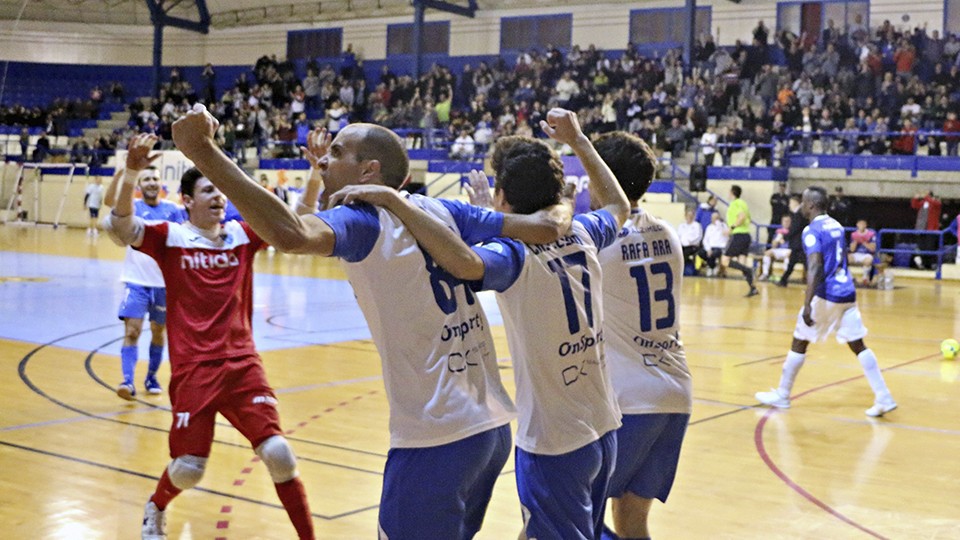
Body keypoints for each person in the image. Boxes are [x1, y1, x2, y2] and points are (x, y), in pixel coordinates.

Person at [169, 104, 570, 539]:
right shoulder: (442, 211)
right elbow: (546, 225)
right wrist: (565, 200)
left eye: (337, 152)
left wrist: (203, 152)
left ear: (369, 172)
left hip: (436, 436)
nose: (324, 159)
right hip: (489, 430)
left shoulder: (362, 219)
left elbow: (291, 234)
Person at [332, 109, 628, 540]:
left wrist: (396, 200)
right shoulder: (582, 231)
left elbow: (465, 263)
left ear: (504, 197)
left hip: (555, 440)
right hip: (605, 426)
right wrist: (579, 142)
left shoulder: (515, 257)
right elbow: (618, 204)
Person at [104, 134, 316, 540]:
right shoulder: (170, 237)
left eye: (220, 191)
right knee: (188, 469)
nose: (218, 198)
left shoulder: (242, 235)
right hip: (194, 370)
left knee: (280, 455)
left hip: (242, 366)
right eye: (207, 191)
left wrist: (314, 176)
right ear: (187, 200)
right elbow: (120, 227)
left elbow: (297, 226)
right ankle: (156, 505)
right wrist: (131, 172)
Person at [592, 132, 692, 540]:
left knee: (559, 519)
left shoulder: (599, 242)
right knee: (633, 522)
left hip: (629, 401)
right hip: (675, 393)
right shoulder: (667, 232)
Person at [756, 186, 897, 417]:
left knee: (800, 340)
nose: (800, 206)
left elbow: (815, 266)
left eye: (802, 202)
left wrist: (808, 302)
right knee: (858, 344)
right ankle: (884, 396)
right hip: (847, 291)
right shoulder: (836, 225)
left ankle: (782, 394)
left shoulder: (812, 231)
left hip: (827, 294)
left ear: (811, 205)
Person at [103, 165, 183, 400]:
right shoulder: (133, 208)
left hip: (164, 284)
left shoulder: (174, 210)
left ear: (161, 184)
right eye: (146, 179)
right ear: (139, 185)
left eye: (154, 179)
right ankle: (127, 381)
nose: (151, 183)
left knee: (159, 332)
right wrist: (122, 173)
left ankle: (151, 376)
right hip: (135, 281)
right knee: (133, 330)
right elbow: (110, 201)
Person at [723, 185, 759, 296]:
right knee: (741, 263)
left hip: (738, 234)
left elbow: (742, 216)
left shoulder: (735, 203)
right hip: (746, 235)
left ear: (732, 193)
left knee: (724, 260)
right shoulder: (744, 203)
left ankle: (749, 270)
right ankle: (753, 288)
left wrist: (731, 228)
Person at [777, 194, 808, 287]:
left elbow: (795, 229)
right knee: (792, 263)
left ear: (795, 203)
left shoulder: (799, 214)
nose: (789, 205)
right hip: (797, 244)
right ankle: (783, 280)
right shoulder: (798, 213)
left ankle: (816, 283)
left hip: (799, 244)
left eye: (790, 203)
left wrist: (785, 237)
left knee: (806, 265)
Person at [911, 190, 942, 269]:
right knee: (922, 248)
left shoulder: (935, 202)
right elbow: (914, 205)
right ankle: (923, 264)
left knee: (930, 247)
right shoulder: (924, 203)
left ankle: (931, 264)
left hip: (932, 229)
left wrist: (926, 196)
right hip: (922, 229)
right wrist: (915, 198)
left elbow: (936, 204)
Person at [759, 214, 791, 281]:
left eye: (788, 221)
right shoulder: (779, 231)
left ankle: (785, 276)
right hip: (779, 250)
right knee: (767, 253)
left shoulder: (793, 231)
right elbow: (774, 246)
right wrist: (777, 239)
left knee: (788, 254)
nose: (786, 223)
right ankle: (765, 274)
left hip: (788, 250)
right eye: (784, 221)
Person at [699, 211, 728, 276]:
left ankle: (711, 267)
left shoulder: (724, 226)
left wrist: (720, 225)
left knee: (714, 253)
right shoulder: (709, 227)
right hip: (710, 247)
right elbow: (705, 240)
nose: (715, 219)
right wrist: (708, 249)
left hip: (719, 247)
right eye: (713, 218)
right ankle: (712, 266)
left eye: (716, 218)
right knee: (701, 253)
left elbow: (726, 237)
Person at [848, 219, 877, 284]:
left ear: (866, 225)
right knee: (846, 259)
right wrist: (855, 242)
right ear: (857, 225)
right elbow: (852, 250)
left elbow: (872, 248)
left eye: (863, 224)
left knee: (868, 260)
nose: (861, 226)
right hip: (856, 253)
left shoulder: (871, 234)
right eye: (860, 224)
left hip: (867, 254)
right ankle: (850, 277)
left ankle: (865, 278)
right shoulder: (854, 234)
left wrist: (863, 242)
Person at [677, 208, 703, 275]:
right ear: (685, 216)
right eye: (688, 215)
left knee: (684, 253)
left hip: (692, 246)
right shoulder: (681, 225)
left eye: (691, 215)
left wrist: (689, 242)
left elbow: (698, 237)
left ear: (694, 216)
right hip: (682, 245)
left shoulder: (697, 225)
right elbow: (678, 236)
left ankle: (681, 270)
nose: (689, 217)